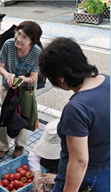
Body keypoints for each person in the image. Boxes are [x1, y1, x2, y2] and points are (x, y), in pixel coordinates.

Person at [38, 37, 110, 192]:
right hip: (106, 172)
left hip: (84, 180)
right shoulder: (107, 81)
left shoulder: (76, 108)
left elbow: (79, 161)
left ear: (60, 78)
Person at [0, 21, 42, 159]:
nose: (18, 38)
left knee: (23, 116)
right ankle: (2, 146)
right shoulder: (8, 44)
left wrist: (23, 79)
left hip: (26, 89)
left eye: (24, 37)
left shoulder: (37, 52)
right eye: (18, 33)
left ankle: (19, 145)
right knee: (6, 114)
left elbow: (34, 77)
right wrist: (7, 74)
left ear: (32, 41)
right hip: (7, 86)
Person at [28, 119, 61, 192]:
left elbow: (86, 176)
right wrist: (37, 174)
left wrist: (59, 179)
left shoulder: (84, 148)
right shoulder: (51, 132)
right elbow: (34, 154)